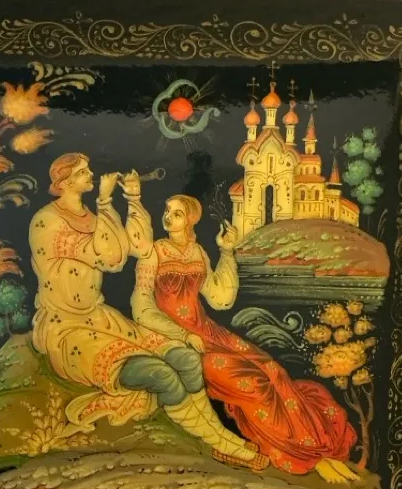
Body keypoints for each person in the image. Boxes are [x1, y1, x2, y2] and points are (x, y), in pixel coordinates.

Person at [29, 154, 266, 470]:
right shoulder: (47, 221)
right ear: (65, 182)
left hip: (102, 319)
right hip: (67, 328)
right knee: (163, 375)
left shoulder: (93, 219)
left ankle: (224, 441)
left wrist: (133, 196)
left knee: (187, 359)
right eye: (83, 171)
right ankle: (224, 445)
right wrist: (104, 201)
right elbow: (108, 256)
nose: (91, 174)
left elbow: (136, 247)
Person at [131, 194, 359, 484]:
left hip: (208, 332)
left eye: (176, 213)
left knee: (271, 369)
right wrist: (183, 334)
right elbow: (141, 307)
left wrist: (226, 252)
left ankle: (316, 446)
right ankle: (302, 454)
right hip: (170, 338)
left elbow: (221, 299)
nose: (167, 217)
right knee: (253, 383)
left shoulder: (197, 252)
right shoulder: (153, 253)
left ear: (190, 220)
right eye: (167, 210)